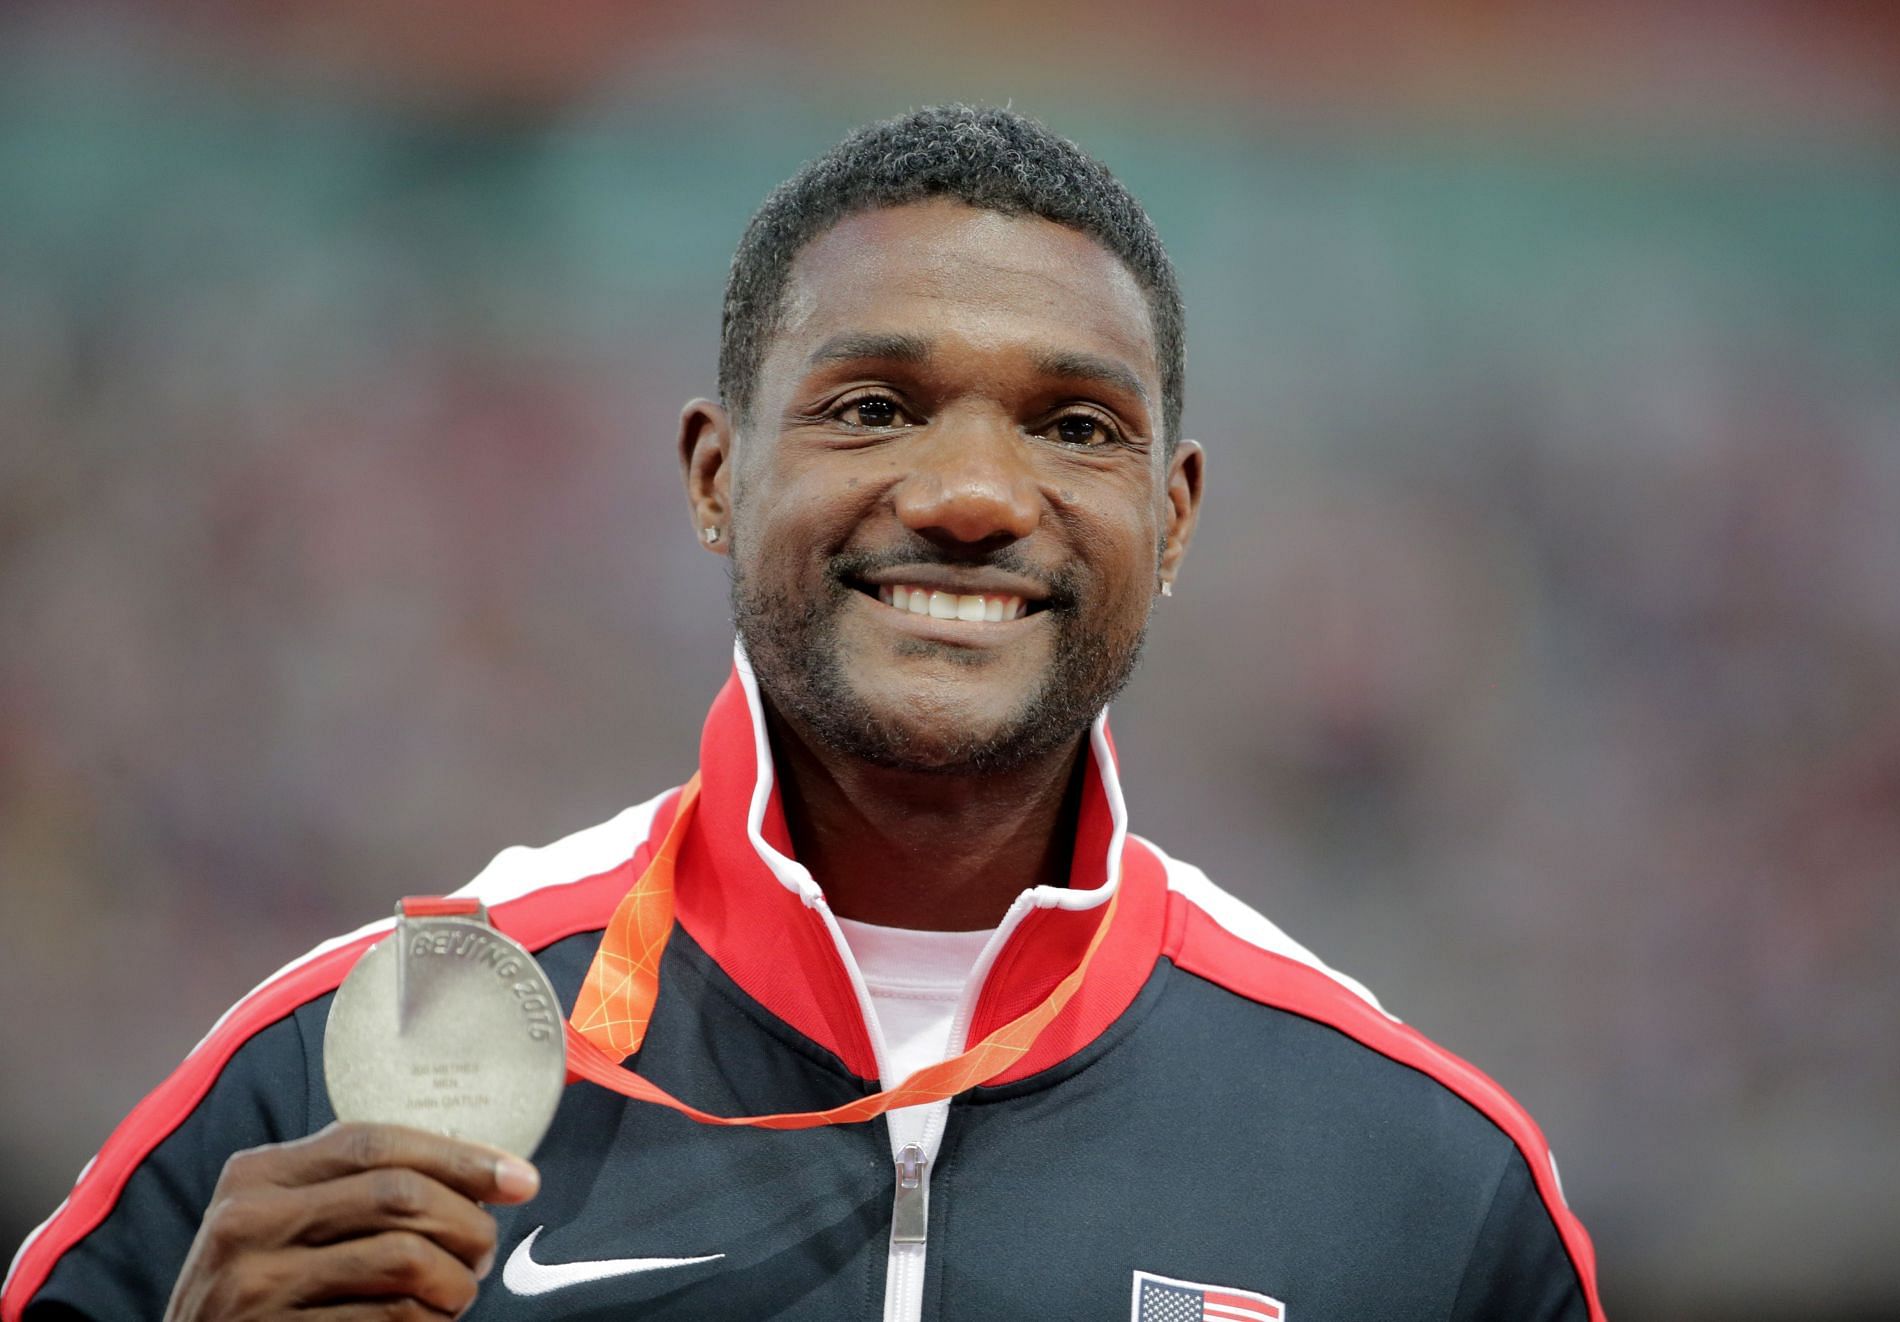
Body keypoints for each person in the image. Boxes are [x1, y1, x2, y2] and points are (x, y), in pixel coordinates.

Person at [4, 105, 1603, 1321]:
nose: (972, 492)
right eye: (871, 407)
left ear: (1174, 518)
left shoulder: (1424, 1172)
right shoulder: (328, 1082)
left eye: (1074, 423)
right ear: (717, 474)